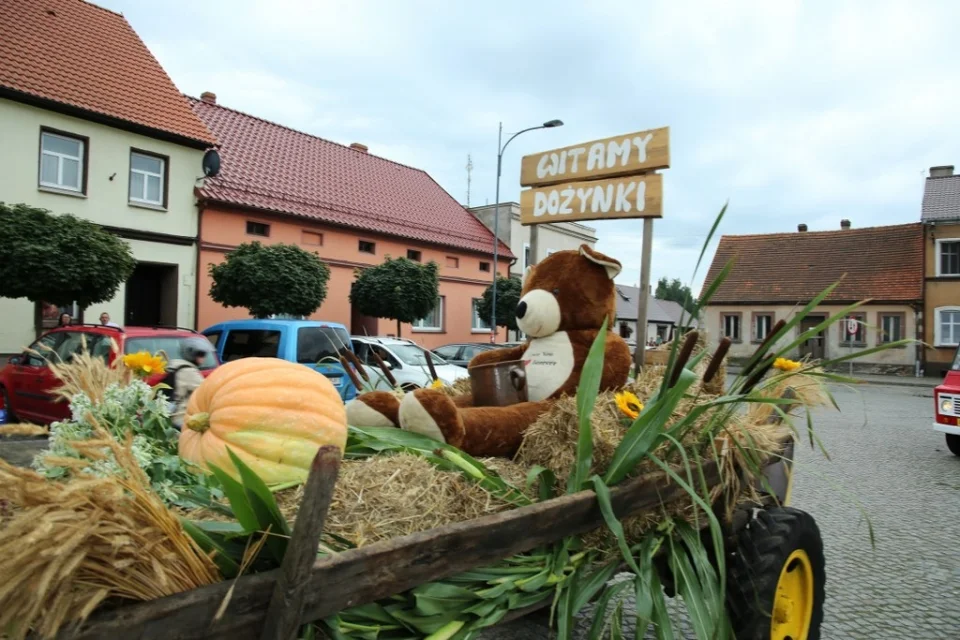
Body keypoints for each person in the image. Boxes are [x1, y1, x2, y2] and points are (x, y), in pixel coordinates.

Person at [166, 337, 214, 429]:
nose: (203, 358)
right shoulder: (189, 372)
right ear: (190, 354)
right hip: (180, 419)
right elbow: (207, 391)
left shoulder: (176, 367)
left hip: (172, 416)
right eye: (200, 354)